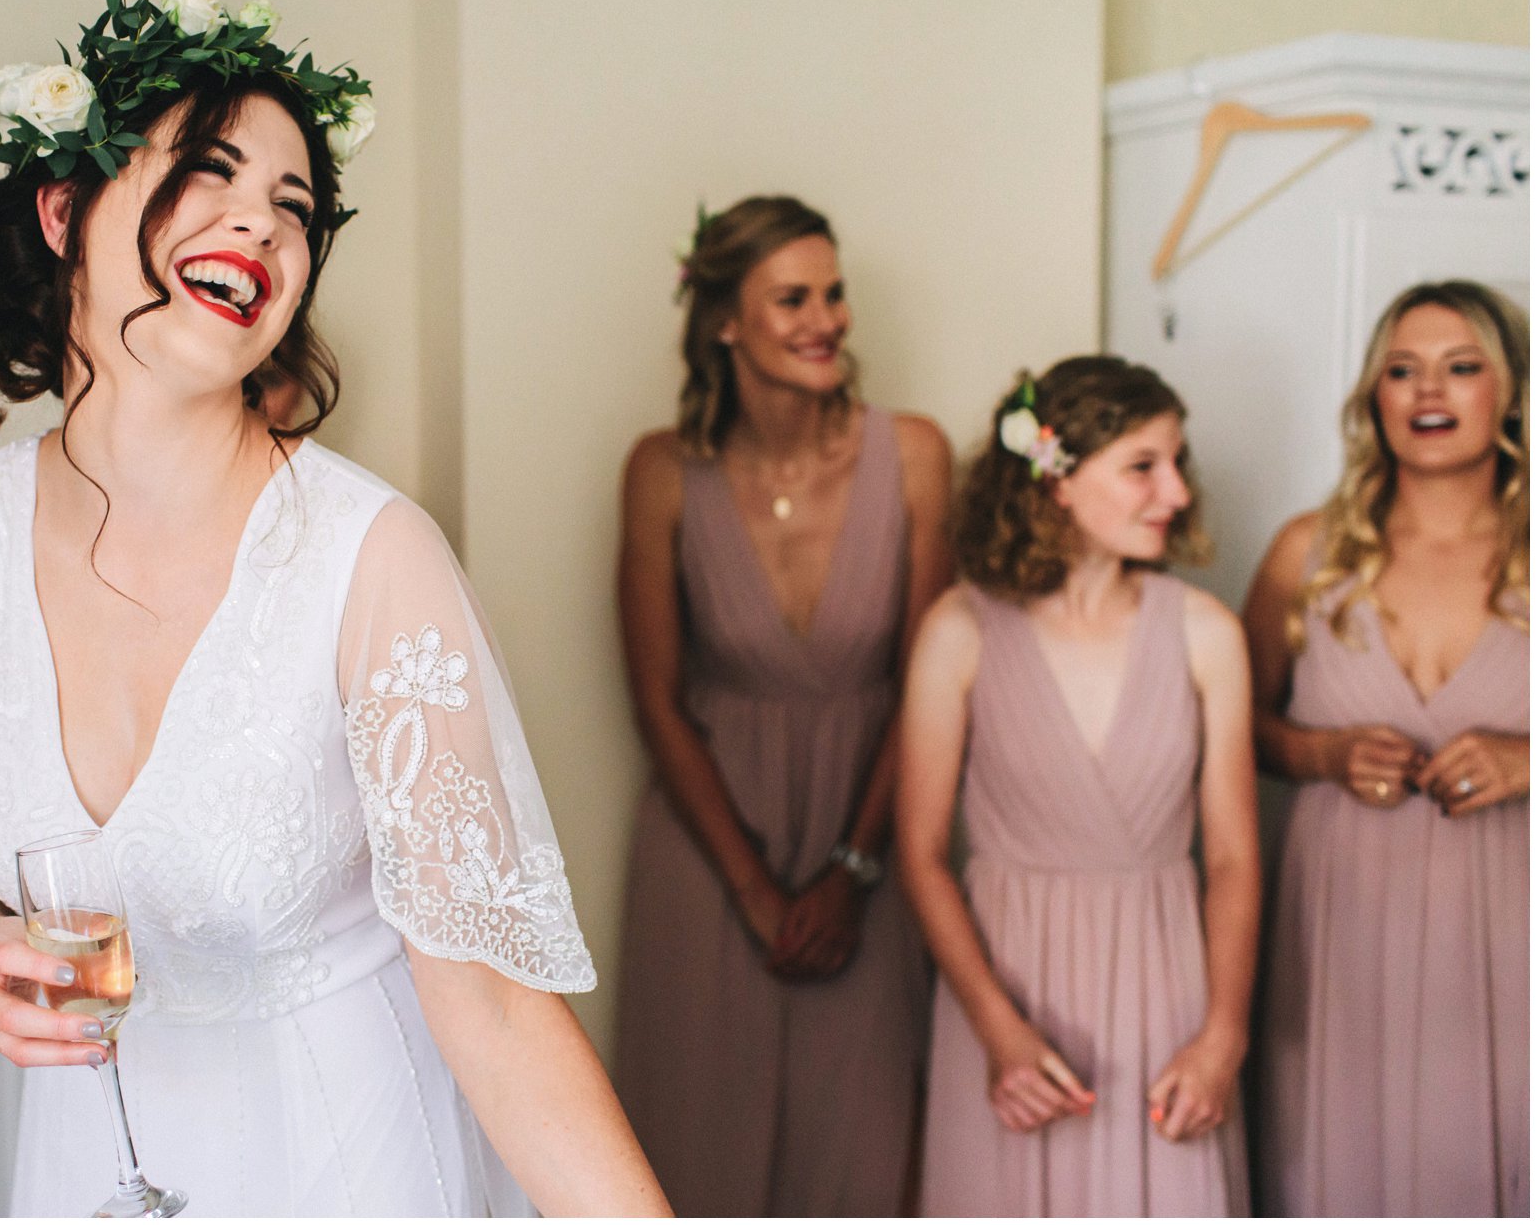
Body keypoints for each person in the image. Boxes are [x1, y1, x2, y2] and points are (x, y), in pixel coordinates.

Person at [0, 0, 668, 1217]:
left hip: (338, 1162)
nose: (262, 225)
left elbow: (499, 1010)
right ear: (67, 211)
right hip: (85, 1162)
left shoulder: (371, 556)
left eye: (294, 205)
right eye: (207, 174)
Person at [613, 196, 953, 1215]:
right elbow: (656, 700)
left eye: (834, 294)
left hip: (875, 834)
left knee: (866, 1144)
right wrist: (756, 891)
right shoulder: (662, 471)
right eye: (792, 298)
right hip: (709, 850)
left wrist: (850, 873)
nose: (827, 320)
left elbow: (926, 683)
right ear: (725, 322)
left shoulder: (918, 454)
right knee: (694, 1144)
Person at [897, 355, 1256, 1215]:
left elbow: (1237, 857)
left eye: (1177, 463)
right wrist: (998, 1031)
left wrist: (1223, 1037)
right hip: (1008, 1001)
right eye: (1143, 466)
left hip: (1168, 1000)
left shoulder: (1207, 634)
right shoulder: (959, 629)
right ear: (1054, 479)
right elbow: (920, 853)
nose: (1174, 492)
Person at [1246, 281, 1529, 1216]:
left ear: (1511, 391)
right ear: (1375, 398)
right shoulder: (1307, 553)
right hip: (1340, 921)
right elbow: (1235, 731)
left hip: (1510, 924)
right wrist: (1324, 758)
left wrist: (1530, 761)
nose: (1426, 392)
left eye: (1460, 367)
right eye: (1400, 371)